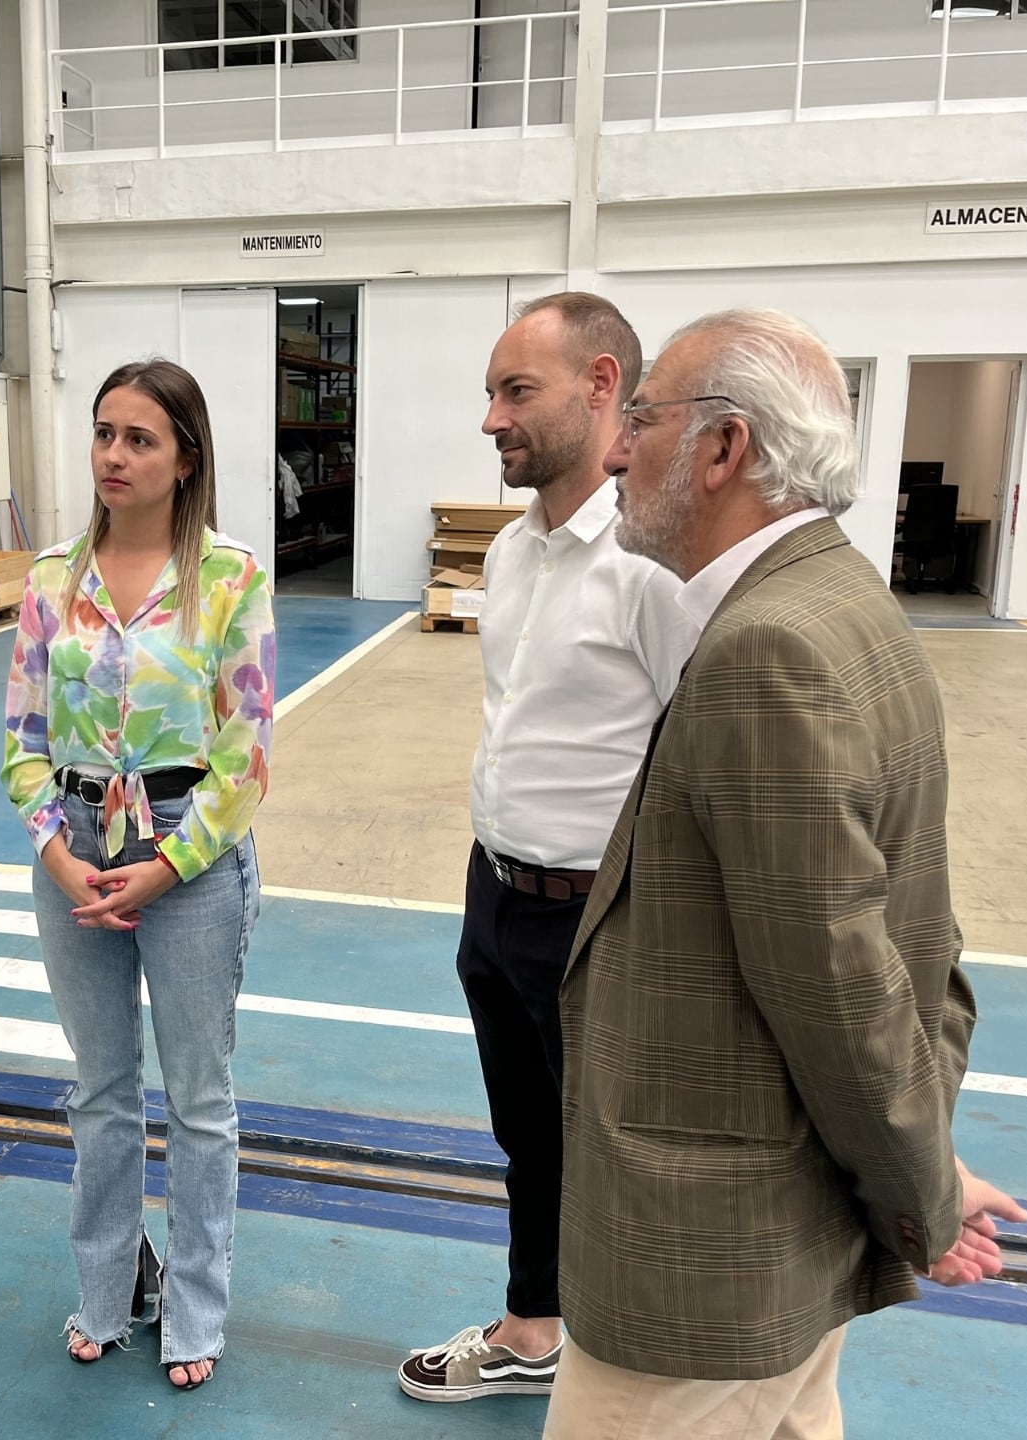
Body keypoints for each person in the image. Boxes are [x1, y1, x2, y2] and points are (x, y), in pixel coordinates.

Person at [546, 307, 1027, 1439]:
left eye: (644, 419)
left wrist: (928, 1197)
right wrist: (920, 1169)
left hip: (703, 1277)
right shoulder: (847, 604)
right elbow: (926, 939)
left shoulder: (766, 650)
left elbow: (842, 984)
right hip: (788, 1249)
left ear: (724, 451)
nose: (615, 451)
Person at [399, 294, 700, 1405]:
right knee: (528, 1137)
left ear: (603, 384)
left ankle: (638, 1386)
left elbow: (697, 755)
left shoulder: (652, 566)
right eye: (490, 392)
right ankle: (535, 1332)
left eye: (515, 390)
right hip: (499, 895)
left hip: (600, 922)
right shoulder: (518, 555)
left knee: (625, 1161)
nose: (491, 419)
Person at [2, 359, 274, 1392]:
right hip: (74, 844)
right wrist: (61, 854)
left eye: (140, 439)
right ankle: (108, 1294)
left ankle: (195, 1307)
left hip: (189, 852)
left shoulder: (231, 579)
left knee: (199, 1098)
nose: (114, 455)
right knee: (101, 1093)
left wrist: (163, 867)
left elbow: (246, 755)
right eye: (105, 433)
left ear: (184, 459)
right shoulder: (50, 580)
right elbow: (23, 741)